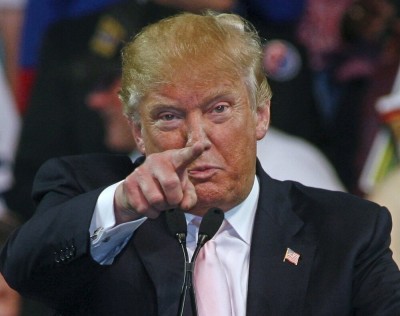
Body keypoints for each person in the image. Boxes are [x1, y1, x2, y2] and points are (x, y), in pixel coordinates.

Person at [1, 11, 399, 315]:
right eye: (169, 116)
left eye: (219, 109)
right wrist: (122, 206)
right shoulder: (87, 192)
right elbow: (23, 269)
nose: (197, 139)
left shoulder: (345, 230)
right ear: (138, 132)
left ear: (260, 115)